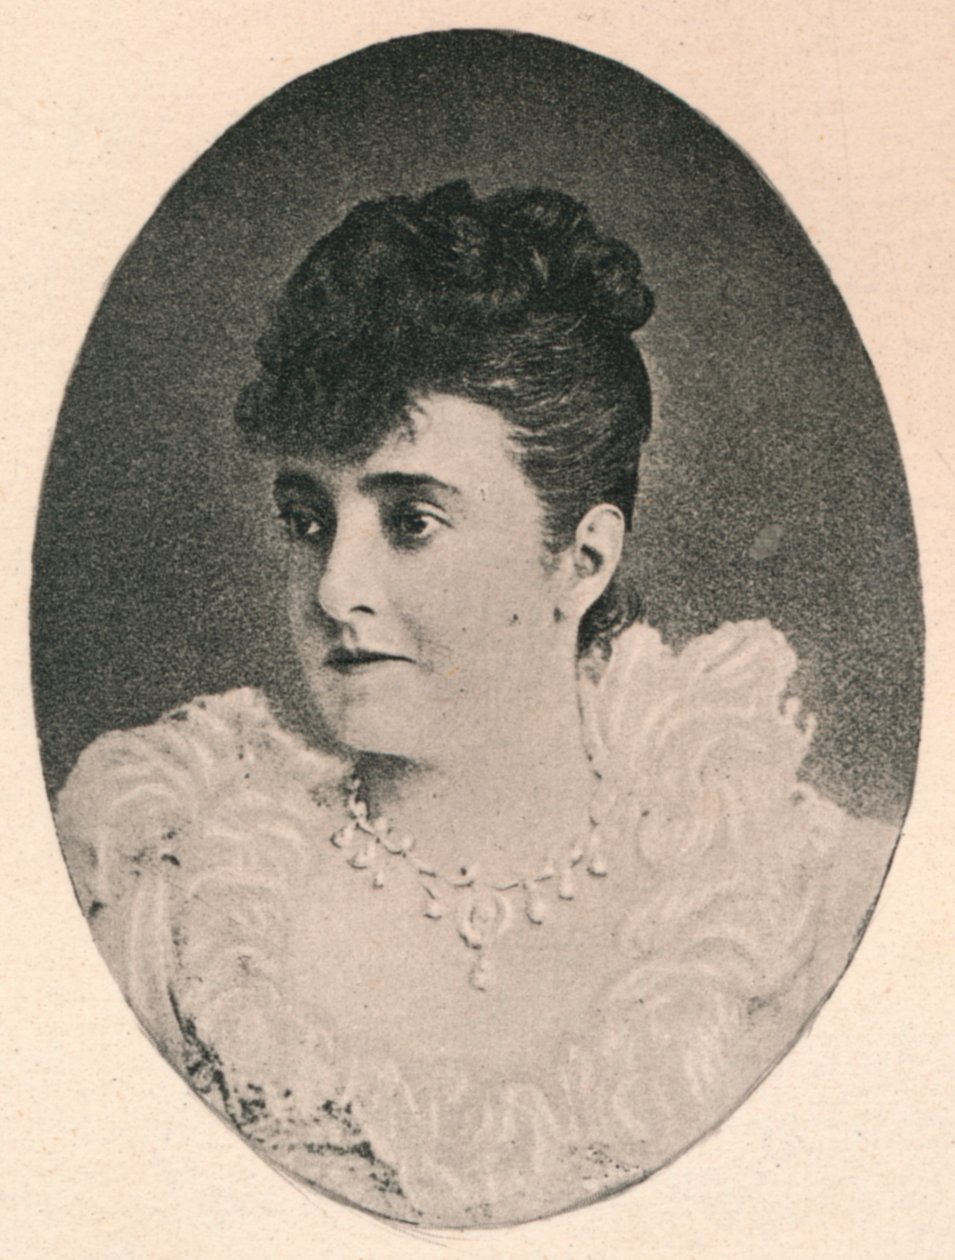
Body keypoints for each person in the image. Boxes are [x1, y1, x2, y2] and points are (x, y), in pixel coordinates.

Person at [54, 182, 895, 1228]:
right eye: (309, 521)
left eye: (410, 521)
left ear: (581, 559)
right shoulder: (176, 906)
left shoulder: (794, 904)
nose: (334, 588)